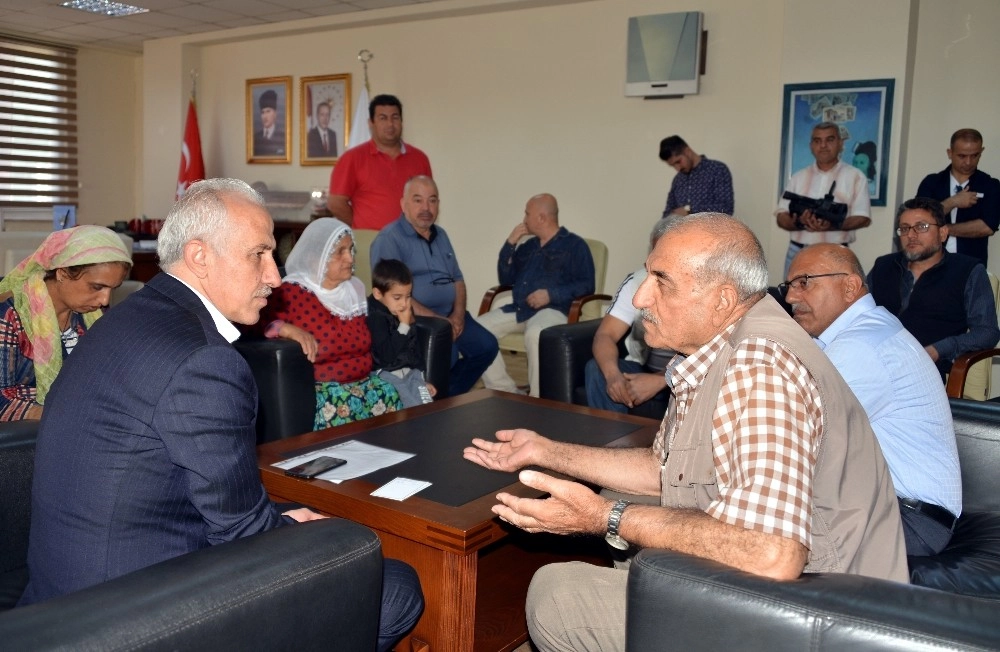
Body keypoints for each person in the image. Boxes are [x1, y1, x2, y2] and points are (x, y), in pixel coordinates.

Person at [464, 213, 907, 652]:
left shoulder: (760, 368)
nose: (639, 297)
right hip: (805, 582)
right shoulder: (716, 348)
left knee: (558, 595)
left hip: (824, 615)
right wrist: (544, 451)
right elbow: (665, 469)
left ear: (721, 299)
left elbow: (773, 555)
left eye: (662, 281)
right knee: (632, 504)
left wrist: (607, 517)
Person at [19, 179, 423, 652]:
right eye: (259, 254)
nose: (274, 276)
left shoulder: (127, 319)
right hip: (128, 615)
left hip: (62, 589)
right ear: (199, 256)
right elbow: (241, 532)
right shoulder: (203, 361)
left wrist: (285, 517)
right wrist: (298, 529)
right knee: (394, 585)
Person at [784, 243, 962, 556]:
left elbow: (789, 434)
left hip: (906, 520)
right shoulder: (851, 336)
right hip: (882, 507)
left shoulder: (861, 346)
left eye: (805, 283)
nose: (791, 297)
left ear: (850, 286)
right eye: (790, 286)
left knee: (748, 538)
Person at [259, 217, 402, 429]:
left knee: (392, 398)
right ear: (318, 257)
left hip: (367, 385)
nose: (350, 259)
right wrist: (286, 328)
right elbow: (254, 323)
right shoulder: (291, 291)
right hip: (327, 394)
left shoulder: (355, 288)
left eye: (350, 250)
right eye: (340, 252)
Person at [370, 175, 498, 396]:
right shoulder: (389, 239)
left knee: (486, 347)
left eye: (432, 200)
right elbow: (393, 294)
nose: (426, 208)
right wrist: (441, 321)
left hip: (450, 315)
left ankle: (448, 397)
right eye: (418, 200)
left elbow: (457, 279)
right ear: (403, 204)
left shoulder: (442, 235)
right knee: (445, 357)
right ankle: (433, 401)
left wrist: (457, 315)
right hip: (416, 319)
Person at [0, 225, 131, 421]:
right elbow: (2, 402)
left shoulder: (93, 316)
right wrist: (71, 415)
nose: (105, 300)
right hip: (26, 440)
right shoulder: (10, 317)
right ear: (62, 273)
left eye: (113, 289)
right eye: (97, 287)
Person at [868, 197, 1000, 377]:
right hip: (873, 363)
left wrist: (938, 350)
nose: (911, 235)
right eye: (905, 228)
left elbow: (987, 332)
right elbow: (857, 313)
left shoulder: (967, 270)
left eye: (921, 227)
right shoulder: (883, 266)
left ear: (943, 233)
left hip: (926, 371)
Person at [478, 194, 594, 397]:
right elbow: (506, 279)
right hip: (520, 309)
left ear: (541, 218)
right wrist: (510, 244)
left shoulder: (575, 246)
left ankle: (538, 400)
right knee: (477, 331)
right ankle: (505, 392)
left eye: (527, 213)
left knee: (536, 334)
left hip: (554, 310)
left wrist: (551, 294)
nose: (524, 219)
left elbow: (587, 285)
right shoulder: (528, 246)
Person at [585, 218, 672, 416]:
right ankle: (610, 442)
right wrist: (613, 375)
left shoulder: (701, 289)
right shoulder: (637, 281)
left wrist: (663, 380)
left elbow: (711, 355)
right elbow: (605, 335)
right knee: (596, 369)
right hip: (643, 366)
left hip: (683, 376)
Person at [776, 122, 872, 276]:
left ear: (840, 144)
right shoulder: (798, 177)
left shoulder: (855, 177)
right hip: (798, 251)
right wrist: (800, 222)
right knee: (791, 298)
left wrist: (832, 224)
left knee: (834, 300)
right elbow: (781, 217)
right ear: (811, 145)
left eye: (830, 140)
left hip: (835, 254)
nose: (823, 145)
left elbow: (863, 218)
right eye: (817, 141)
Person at [327, 94, 432, 230]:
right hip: (371, 243)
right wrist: (361, 225)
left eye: (395, 117)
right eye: (383, 118)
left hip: (412, 243)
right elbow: (336, 203)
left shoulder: (419, 159)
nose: (390, 124)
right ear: (371, 123)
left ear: (401, 121)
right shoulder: (352, 158)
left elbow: (429, 201)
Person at [916, 128, 1000, 265]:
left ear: (981, 152)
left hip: (970, 265)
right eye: (962, 156)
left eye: (974, 155)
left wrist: (942, 229)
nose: (968, 162)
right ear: (950, 153)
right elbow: (920, 220)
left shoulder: (990, 185)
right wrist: (953, 202)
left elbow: (987, 227)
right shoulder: (931, 182)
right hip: (930, 262)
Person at [367, 258, 436, 408]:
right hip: (385, 374)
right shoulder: (375, 317)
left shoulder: (401, 309)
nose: (404, 303)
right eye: (397, 297)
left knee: (428, 408)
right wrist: (403, 325)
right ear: (378, 293)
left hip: (409, 372)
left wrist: (422, 377)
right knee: (410, 410)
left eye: (408, 296)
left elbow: (413, 345)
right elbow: (386, 356)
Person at [659, 135, 734, 217]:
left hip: (712, 229)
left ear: (687, 151)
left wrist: (689, 210)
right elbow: (667, 213)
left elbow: (726, 208)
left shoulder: (717, 170)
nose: (677, 168)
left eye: (678, 162)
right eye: (673, 165)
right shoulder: (678, 180)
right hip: (683, 230)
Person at [253, 89, 285, 157]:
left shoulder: (283, 138)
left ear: (275, 114)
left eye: (268, 111)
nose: (265, 116)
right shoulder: (255, 139)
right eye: (263, 112)